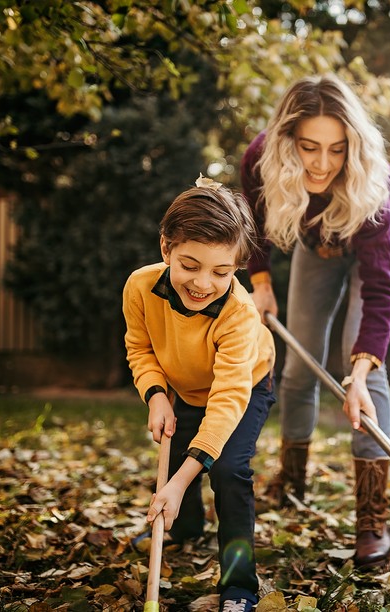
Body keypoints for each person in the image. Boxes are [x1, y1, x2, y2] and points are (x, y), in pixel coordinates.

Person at [240, 73, 390, 569]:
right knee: (297, 366)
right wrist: (262, 284)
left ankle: (371, 520)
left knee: (367, 375)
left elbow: (380, 289)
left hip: (376, 244)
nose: (321, 164)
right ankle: (291, 483)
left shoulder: (375, 181)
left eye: (337, 150)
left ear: (352, 146)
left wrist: (357, 374)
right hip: (318, 245)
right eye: (309, 147)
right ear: (288, 139)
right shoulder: (260, 158)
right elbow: (253, 226)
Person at [123, 176, 276, 612]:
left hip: (244, 385)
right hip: (182, 385)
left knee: (226, 469)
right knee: (176, 457)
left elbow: (228, 400)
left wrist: (181, 479)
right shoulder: (139, 287)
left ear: (236, 268)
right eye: (190, 265)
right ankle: (184, 528)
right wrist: (155, 394)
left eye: (221, 272)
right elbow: (141, 347)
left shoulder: (239, 314)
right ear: (166, 248)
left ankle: (239, 584)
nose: (203, 283)